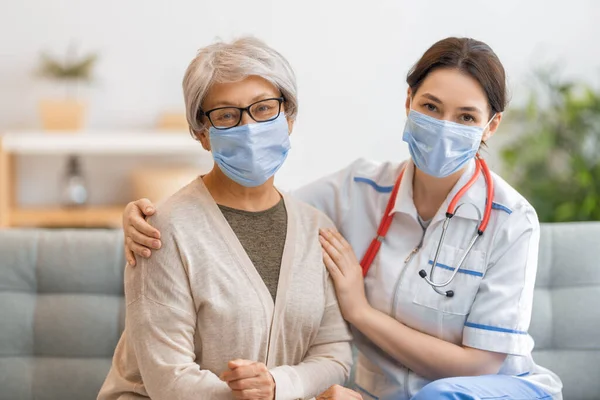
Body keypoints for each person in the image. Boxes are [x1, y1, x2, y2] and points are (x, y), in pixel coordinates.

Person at [122, 37, 563, 400]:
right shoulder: (355, 191)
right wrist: (142, 216)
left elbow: (483, 363)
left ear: (491, 125)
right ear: (408, 101)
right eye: (430, 107)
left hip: (487, 389)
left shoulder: (512, 219)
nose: (444, 125)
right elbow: (249, 211)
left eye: (466, 116)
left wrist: (360, 311)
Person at [98, 37, 360, 400]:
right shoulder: (161, 230)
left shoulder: (317, 227)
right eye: (226, 115)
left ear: (289, 117)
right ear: (201, 133)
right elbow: (169, 381)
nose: (249, 127)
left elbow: (334, 353)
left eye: (264, 108)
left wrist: (277, 386)